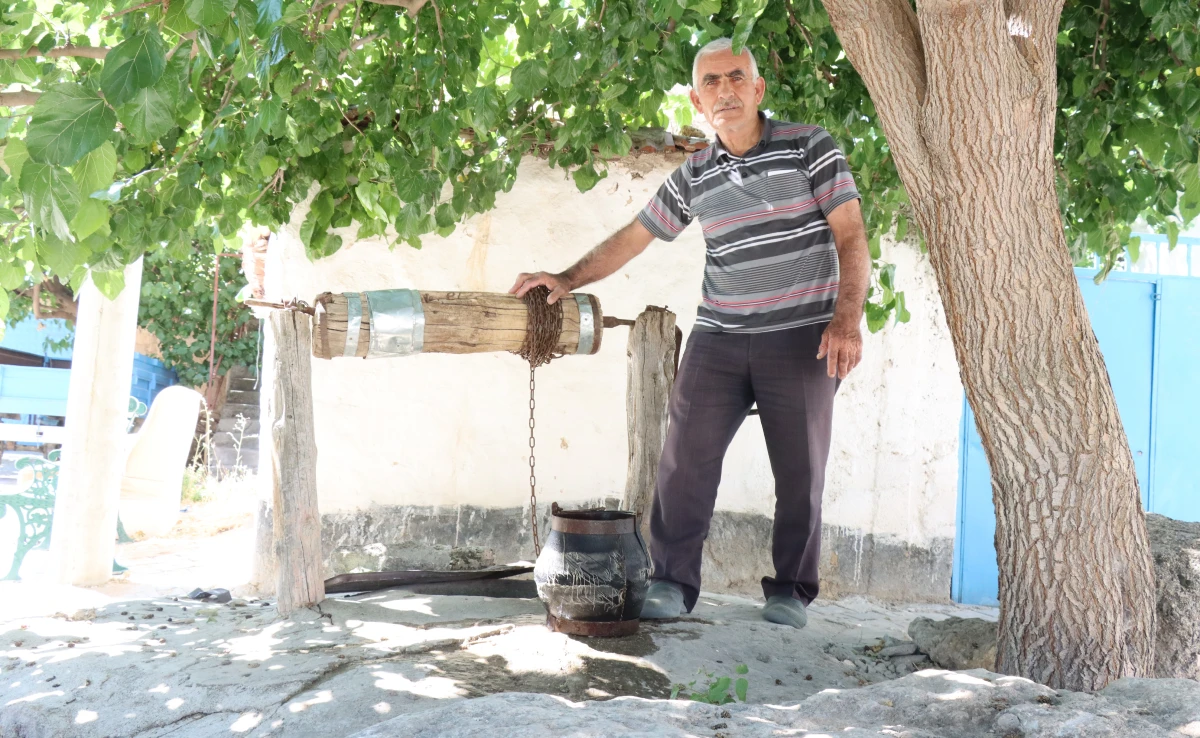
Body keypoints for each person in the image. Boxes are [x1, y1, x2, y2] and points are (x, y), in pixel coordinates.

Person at [510, 37, 869, 629]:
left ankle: (789, 592)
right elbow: (636, 235)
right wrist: (567, 278)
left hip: (802, 334)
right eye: (711, 82)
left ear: (758, 89)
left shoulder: (810, 146)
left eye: (735, 78)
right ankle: (673, 582)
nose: (724, 90)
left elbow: (851, 236)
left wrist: (847, 320)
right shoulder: (694, 173)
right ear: (698, 101)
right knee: (683, 461)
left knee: (801, 468)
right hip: (719, 336)